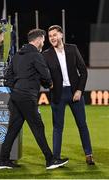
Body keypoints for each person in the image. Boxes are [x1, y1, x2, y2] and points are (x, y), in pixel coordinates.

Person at [0, 28, 69, 170]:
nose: (44, 42)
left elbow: (8, 77)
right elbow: (45, 74)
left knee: (13, 128)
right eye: (43, 39)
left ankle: (3, 160)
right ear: (38, 40)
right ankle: (50, 160)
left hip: (16, 95)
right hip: (27, 96)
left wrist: (16, 88)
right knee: (38, 127)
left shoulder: (17, 54)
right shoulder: (36, 55)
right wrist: (49, 84)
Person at [42, 25, 95, 165]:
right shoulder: (46, 54)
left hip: (75, 93)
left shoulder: (72, 49)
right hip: (57, 95)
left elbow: (83, 71)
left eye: (54, 35)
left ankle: (89, 154)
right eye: (50, 36)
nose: (52, 38)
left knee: (82, 124)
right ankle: (56, 158)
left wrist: (79, 90)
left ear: (61, 35)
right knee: (57, 128)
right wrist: (49, 85)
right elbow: (42, 76)